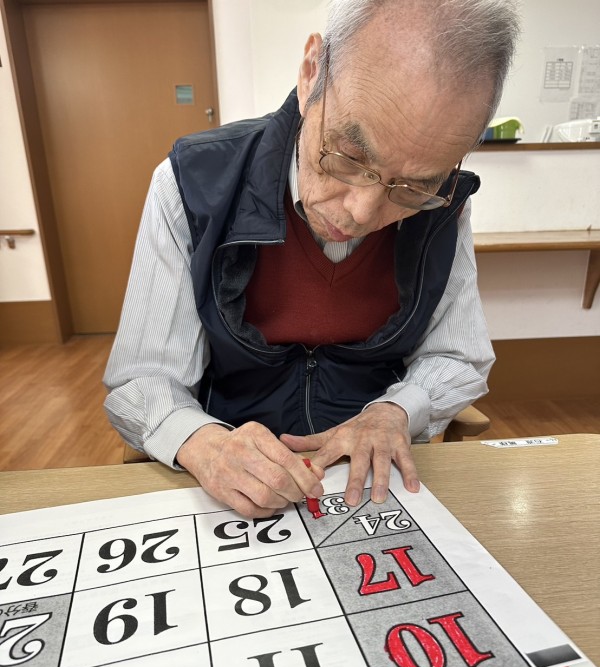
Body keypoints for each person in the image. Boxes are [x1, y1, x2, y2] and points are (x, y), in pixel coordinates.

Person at [104, 0, 519, 518]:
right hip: (231, 471)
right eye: (349, 157)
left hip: (371, 480)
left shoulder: (443, 205)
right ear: (310, 73)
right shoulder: (192, 182)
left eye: (412, 187)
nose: (362, 212)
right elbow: (143, 377)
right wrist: (203, 443)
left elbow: (458, 356)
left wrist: (396, 409)